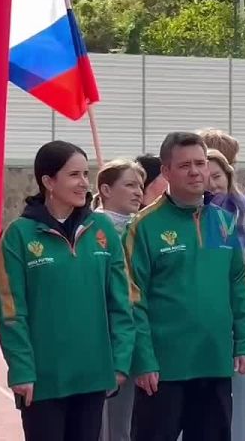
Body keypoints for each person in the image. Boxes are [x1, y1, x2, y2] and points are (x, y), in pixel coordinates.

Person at [0, 141, 135, 441]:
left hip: (94, 376)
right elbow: (11, 311)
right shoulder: (18, 235)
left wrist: (121, 360)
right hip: (44, 380)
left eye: (86, 174)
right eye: (74, 175)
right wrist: (22, 369)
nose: (84, 183)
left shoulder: (101, 228)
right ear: (48, 181)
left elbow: (121, 301)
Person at [126, 132, 245, 441]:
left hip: (214, 365)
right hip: (163, 372)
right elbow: (133, 298)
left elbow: (238, 285)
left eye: (200, 163)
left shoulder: (223, 222)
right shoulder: (143, 226)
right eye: (185, 165)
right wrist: (143, 360)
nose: (196, 171)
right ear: (166, 171)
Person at [92, 159, 146, 441]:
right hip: (104, 344)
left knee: (124, 428)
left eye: (140, 185)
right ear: (105, 190)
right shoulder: (90, 232)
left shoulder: (143, 231)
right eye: (129, 185)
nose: (139, 191)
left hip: (138, 343)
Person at [204, 148, 245, 441]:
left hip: (241, 320)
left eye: (217, 176)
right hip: (205, 324)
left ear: (228, 176)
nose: (211, 183)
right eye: (204, 177)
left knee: (241, 407)